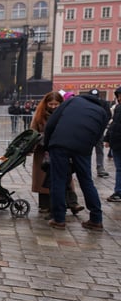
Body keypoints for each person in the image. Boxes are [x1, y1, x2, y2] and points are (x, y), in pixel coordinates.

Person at [43, 90, 110, 230]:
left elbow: (51, 123)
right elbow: (98, 135)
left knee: (58, 180)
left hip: (60, 143)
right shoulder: (103, 112)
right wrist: (87, 148)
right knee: (86, 181)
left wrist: (48, 145)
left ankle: (59, 219)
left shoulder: (72, 101)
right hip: (83, 147)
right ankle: (96, 219)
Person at [29, 91, 82, 217]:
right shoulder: (39, 116)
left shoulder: (66, 114)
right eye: (51, 104)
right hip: (43, 151)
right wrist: (35, 143)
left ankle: (71, 203)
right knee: (42, 178)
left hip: (60, 149)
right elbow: (33, 132)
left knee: (65, 177)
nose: (53, 107)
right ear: (46, 104)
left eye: (56, 104)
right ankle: (44, 205)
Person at [104, 86, 121, 202]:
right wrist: (108, 138)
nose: (119, 98)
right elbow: (114, 124)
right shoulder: (118, 108)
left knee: (120, 169)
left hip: (118, 142)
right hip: (116, 142)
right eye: (118, 96)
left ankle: (119, 192)